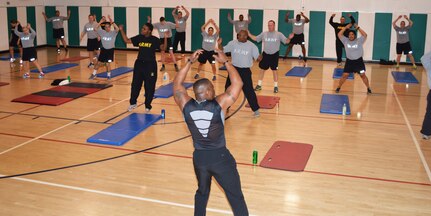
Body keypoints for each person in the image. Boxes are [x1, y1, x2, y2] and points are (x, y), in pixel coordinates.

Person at [173, 49, 249, 216]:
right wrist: (226, 62)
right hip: (220, 158)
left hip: (200, 159)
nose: (215, 90)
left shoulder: (184, 103)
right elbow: (238, 84)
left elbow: (177, 85)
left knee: (202, 193)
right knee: (235, 196)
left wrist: (189, 62)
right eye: (212, 89)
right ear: (207, 92)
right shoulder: (219, 104)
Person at [118, 22, 167, 112]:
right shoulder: (139, 38)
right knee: (135, 84)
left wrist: (166, 38)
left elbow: (163, 48)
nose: (142, 30)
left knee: (149, 86)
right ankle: (133, 103)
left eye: (144, 29)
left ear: (149, 31)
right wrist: (121, 30)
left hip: (150, 65)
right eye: (142, 28)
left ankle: (148, 105)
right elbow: (127, 41)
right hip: (139, 64)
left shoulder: (154, 40)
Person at [219, 30, 260, 117]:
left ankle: (256, 110)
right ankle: (226, 106)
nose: (238, 37)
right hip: (234, 69)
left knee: (249, 91)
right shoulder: (233, 43)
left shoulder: (252, 46)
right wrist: (219, 44)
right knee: (228, 88)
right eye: (238, 35)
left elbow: (258, 58)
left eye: (241, 35)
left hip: (245, 71)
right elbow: (222, 49)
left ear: (246, 37)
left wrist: (263, 55)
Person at [248, 20, 294, 93]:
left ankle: (275, 86)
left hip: (274, 55)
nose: (269, 27)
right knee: (262, 70)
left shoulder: (279, 34)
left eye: (271, 25)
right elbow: (256, 38)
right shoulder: (264, 34)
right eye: (268, 25)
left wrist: (290, 38)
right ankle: (259, 85)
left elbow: (286, 42)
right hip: (265, 54)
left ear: (274, 26)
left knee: (274, 70)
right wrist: (249, 34)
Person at [335, 23, 372, 94]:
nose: (351, 36)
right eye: (349, 35)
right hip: (349, 62)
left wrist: (358, 28)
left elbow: (365, 35)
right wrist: (346, 27)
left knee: (362, 75)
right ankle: (339, 87)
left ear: (354, 35)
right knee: (345, 75)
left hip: (359, 62)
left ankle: (368, 88)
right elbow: (339, 34)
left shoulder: (359, 41)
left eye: (352, 34)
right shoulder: (345, 40)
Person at [90, 16, 118, 80]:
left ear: (110, 27)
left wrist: (112, 22)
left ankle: (108, 76)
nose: (107, 28)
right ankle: (93, 74)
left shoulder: (113, 33)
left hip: (110, 50)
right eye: (106, 27)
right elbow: (95, 29)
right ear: (104, 28)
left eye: (108, 27)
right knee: (98, 63)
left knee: (107, 64)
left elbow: (117, 29)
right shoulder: (102, 32)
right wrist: (101, 22)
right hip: (103, 50)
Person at [420, 51, 431, 140]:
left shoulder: (428, 66)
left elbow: (424, 58)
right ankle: (426, 132)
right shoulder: (429, 67)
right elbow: (424, 59)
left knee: (429, 113)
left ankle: (426, 133)